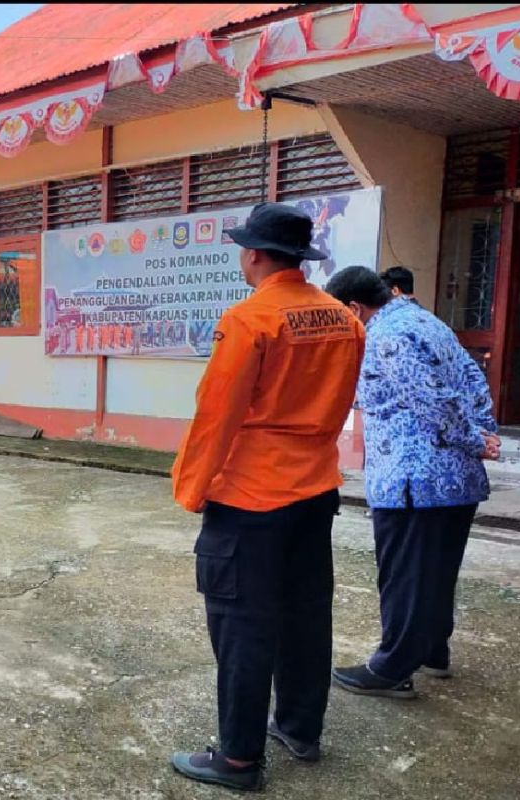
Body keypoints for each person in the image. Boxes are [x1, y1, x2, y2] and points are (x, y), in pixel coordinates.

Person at [169, 203, 364, 791]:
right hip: (314, 491)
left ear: (252, 253)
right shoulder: (345, 320)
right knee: (305, 616)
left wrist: (192, 487)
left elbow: (217, 415)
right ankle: (301, 728)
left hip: (251, 497)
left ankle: (236, 758)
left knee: (242, 626)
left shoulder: (251, 319)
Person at [325, 266, 499, 698]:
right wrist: (482, 430)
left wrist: (475, 439)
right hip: (452, 480)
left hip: (413, 480)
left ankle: (392, 668)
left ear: (354, 307)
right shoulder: (427, 321)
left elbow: (432, 399)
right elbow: (473, 379)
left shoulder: (386, 335)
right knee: (437, 572)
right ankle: (432, 651)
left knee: (403, 575)